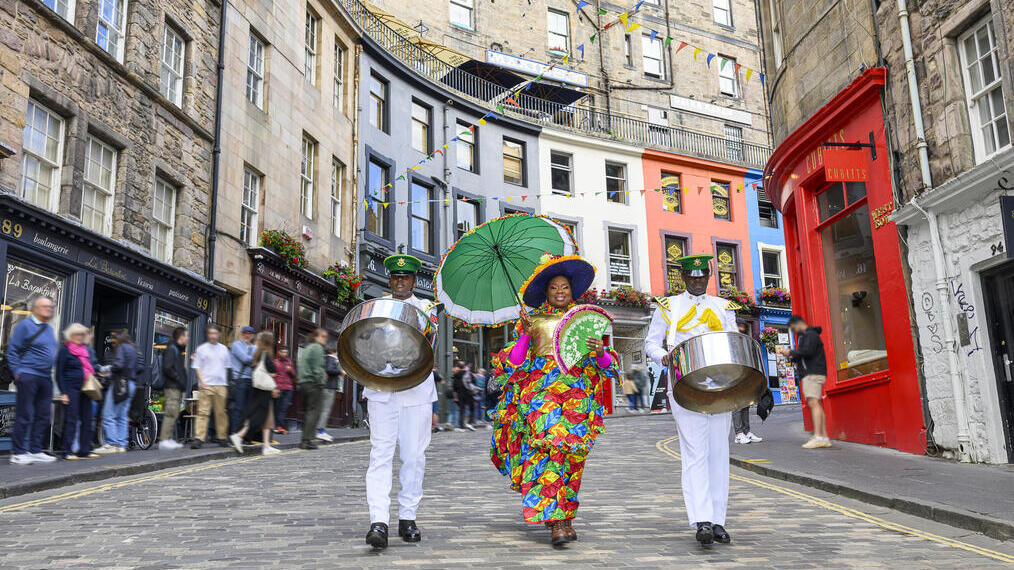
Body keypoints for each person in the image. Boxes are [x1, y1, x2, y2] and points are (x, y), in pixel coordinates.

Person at [490, 253, 617, 546]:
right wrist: (524, 332)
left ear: (573, 290)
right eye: (554, 288)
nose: (560, 292)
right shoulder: (533, 319)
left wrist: (600, 351)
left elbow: (606, 365)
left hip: (578, 401)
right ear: (546, 291)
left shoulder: (585, 320)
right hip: (542, 400)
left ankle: (564, 515)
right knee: (545, 458)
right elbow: (515, 361)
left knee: (572, 460)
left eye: (565, 287)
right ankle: (557, 521)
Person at [645, 254, 740, 546]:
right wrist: (664, 356)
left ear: (709, 277)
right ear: (684, 278)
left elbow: (734, 342)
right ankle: (702, 520)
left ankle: (719, 520)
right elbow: (651, 343)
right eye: (693, 278)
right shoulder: (668, 306)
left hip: (719, 385)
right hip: (684, 385)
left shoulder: (724, 307)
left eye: (703, 277)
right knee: (695, 453)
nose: (698, 282)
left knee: (718, 453)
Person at [363, 254, 438, 550]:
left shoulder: (427, 309)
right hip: (382, 388)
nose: (399, 282)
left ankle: (408, 516)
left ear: (413, 281)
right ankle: (378, 521)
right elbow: (365, 345)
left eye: (404, 278)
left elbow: (429, 346)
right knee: (380, 455)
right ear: (390, 280)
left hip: (416, 391)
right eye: (395, 277)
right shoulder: (376, 309)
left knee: (413, 456)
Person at [8, 295, 59, 465]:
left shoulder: (48, 329)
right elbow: (13, 350)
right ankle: (18, 452)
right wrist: (17, 372)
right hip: (28, 375)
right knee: (25, 414)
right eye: (45, 306)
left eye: (50, 307)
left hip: (45, 377)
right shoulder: (25, 326)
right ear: (35, 309)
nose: (49, 309)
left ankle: (36, 450)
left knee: (43, 415)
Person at [779, 315, 830, 449]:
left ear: (799, 323)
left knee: (813, 403)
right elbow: (805, 356)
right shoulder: (808, 335)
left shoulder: (809, 335)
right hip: (813, 372)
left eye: (794, 328)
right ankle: (823, 437)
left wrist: (791, 352)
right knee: (816, 403)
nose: (794, 331)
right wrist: (793, 356)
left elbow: (807, 352)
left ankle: (819, 437)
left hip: (812, 373)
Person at [229, 331, 281, 456]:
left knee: (265, 416)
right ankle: (239, 436)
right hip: (263, 390)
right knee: (259, 417)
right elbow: (273, 371)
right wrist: (273, 381)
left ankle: (266, 446)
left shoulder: (257, 352)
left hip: (256, 387)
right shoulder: (265, 354)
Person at [54, 323, 99, 460]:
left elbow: (91, 366)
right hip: (71, 388)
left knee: (87, 420)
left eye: (82, 335)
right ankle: (66, 451)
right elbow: (59, 373)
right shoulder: (65, 350)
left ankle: (84, 450)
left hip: (86, 388)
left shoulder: (85, 349)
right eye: (77, 334)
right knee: (71, 420)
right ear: (70, 335)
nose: (80, 337)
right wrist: (64, 392)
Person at [95, 330, 138, 454]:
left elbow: (118, 366)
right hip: (130, 384)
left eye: (113, 339)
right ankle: (121, 444)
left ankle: (111, 444)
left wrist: (105, 369)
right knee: (122, 416)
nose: (112, 341)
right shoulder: (132, 349)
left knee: (108, 414)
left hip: (119, 384)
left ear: (118, 338)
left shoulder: (121, 348)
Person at [191, 326, 232, 449]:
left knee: (221, 413)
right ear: (208, 335)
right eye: (211, 333)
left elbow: (227, 367)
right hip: (206, 384)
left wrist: (226, 383)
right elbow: (197, 366)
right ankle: (199, 438)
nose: (213, 335)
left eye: (215, 333)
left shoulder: (224, 349)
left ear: (219, 334)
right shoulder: (201, 349)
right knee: (203, 412)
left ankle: (222, 437)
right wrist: (202, 382)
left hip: (221, 385)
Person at [158, 327, 189, 450]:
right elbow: (167, 368)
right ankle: (164, 440)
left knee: (174, 413)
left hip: (176, 387)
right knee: (171, 412)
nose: (187, 338)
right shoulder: (172, 349)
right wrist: (179, 379)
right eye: (186, 336)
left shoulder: (177, 349)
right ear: (181, 337)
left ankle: (168, 438)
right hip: (172, 387)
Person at [296, 328, 327, 450]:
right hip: (313, 384)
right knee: (314, 412)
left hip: (303, 383)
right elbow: (318, 368)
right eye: (323, 336)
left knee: (308, 412)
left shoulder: (307, 348)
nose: (325, 339)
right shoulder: (317, 348)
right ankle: (308, 441)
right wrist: (321, 382)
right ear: (316, 337)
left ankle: (304, 439)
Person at [229, 326, 257, 433]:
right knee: (238, 409)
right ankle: (234, 434)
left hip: (251, 380)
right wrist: (254, 360)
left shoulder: (254, 348)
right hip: (239, 380)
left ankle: (242, 436)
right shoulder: (236, 345)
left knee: (247, 410)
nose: (247, 335)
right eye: (245, 333)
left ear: (253, 335)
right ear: (241, 334)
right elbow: (245, 359)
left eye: (250, 333)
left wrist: (254, 360)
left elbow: (257, 361)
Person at [317, 345, 343, 442]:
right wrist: (340, 371)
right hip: (329, 388)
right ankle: (321, 431)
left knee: (322, 409)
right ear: (334, 352)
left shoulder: (325, 358)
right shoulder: (331, 358)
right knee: (326, 410)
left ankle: (320, 430)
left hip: (325, 387)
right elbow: (329, 369)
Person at [272, 345, 296, 434]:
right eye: (282, 352)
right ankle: (275, 426)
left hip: (288, 388)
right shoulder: (275, 362)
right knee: (277, 408)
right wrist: (274, 388)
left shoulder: (289, 362)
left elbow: (294, 375)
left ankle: (280, 426)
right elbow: (272, 376)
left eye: (286, 352)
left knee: (284, 408)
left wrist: (290, 370)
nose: (284, 354)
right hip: (278, 388)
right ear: (279, 352)